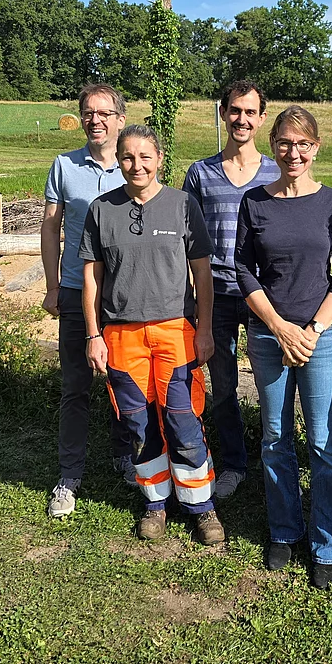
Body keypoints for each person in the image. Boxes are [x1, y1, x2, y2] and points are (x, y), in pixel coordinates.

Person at [80, 125, 225, 546]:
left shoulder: (183, 205)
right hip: (121, 335)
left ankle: (201, 507)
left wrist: (204, 329)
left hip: (176, 331)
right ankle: (156, 504)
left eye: (145, 156)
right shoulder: (101, 209)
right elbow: (92, 278)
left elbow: (202, 275)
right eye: (127, 157)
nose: (137, 165)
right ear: (118, 161)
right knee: (139, 424)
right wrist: (93, 335)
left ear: (160, 159)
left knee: (184, 420)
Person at [234, 105, 332, 590]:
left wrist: (312, 330)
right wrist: (279, 327)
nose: (294, 152)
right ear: (273, 146)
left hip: (319, 338)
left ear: (316, 148)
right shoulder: (254, 202)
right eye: (285, 142)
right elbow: (243, 270)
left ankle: (328, 543)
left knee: (323, 441)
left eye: (303, 144)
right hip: (268, 335)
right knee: (275, 437)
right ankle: (284, 529)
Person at [183, 80, 281, 500]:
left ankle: (277, 459)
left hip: (265, 296)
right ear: (223, 113)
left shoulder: (277, 171)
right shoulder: (200, 173)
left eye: (250, 112)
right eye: (235, 110)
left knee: (271, 384)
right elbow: (187, 240)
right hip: (217, 295)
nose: (242, 119)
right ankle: (235, 463)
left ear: (262, 118)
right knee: (223, 385)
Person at [41, 83, 134, 519]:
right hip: (78, 291)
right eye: (88, 112)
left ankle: (126, 456)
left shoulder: (134, 164)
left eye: (103, 113)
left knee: (124, 382)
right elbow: (50, 227)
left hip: (124, 294)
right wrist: (52, 285)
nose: (95, 120)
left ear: (119, 119)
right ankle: (69, 475)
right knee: (75, 386)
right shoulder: (64, 166)